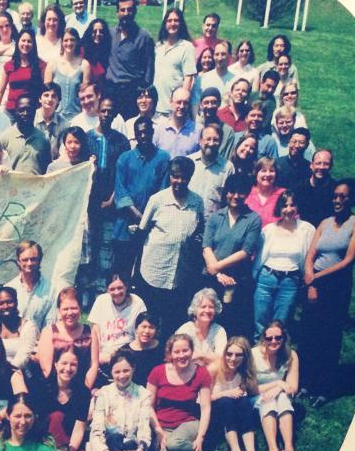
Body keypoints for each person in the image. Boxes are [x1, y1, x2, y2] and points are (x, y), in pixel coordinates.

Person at [300, 179, 355, 404]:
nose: (337, 200)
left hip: (336, 287)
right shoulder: (325, 222)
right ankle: (306, 383)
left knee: (329, 338)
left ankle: (324, 387)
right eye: (335, 196)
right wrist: (310, 280)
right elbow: (311, 254)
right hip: (315, 285)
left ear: (352, 199)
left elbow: (348, 261)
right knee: (309, 335)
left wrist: (316, 278)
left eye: (343, 197)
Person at [136, 156, 205, 329]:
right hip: (154, 272)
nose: (179, 181)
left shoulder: (197, 202)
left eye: (184, 177)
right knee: (150, 322)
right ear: (170, 176)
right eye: (176, 176)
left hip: (181, 275)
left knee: (172, 323)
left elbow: (199, 230)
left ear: (190, 178)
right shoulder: (157, 200)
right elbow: (142, 232)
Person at [30, 348, 99, 451]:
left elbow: (79, 428)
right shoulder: (42, 388)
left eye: (73, 364)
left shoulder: (82, 392)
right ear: (55, 364)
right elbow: (37, 425)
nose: (68, 368)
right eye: (64, 363)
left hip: (71, 444)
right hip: (45, 443)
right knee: (56, 417)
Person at [147, 334, 223, 451]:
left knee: (174, 444)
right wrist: (158, 431)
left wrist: (200, 437)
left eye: (185, 350)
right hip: (163, 426)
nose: (181, 355)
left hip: (189, 422)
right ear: (170, 354)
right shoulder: (157, 372)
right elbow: (148, 406)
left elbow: (206, 408)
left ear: (192, 351)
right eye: (177, 352)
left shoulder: (201, 373)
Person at [87, 351, 152, 451]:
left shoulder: (143, 394)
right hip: (111, 447)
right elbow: (97, 428)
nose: (122, 376)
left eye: (126, 370)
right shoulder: (104, 393)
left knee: (129, 450)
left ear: (133, 369)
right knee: (115, 441)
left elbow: (144, 426)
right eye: (117, 371)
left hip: (132, 445)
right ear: (111, 372)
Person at [202, 172, 261, 338]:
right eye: (232, 191)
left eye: (241, 192)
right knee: (208, 317)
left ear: (247, 193)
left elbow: (245, 251)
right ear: (226, 192)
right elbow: (206, 246)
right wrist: (217, 273)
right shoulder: (216, 216)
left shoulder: (253, 219)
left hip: (236, 279)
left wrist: (216, 267)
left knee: (231, 322)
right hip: (212, 278)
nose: (236, 196)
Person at [111, 117, 170, 279]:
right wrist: (138, 216)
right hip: (125, 225)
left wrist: (147, 220)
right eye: (139, 133)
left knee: (145, 272)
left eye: (146, 132)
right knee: (121, 271)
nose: (143, 136)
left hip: (152, 225)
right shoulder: (125, 158)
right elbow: (121, 191)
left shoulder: (163, 158)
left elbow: (163, 192)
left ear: (152, 132)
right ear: (135, 135)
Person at [253, 189, 316, 337]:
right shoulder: (268, 230)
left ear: (297, 207)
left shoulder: (307, 229)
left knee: (280, 326)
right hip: (265, 279)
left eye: (292, 205)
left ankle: (278, 358)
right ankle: (257, 356)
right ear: (279, 209)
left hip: (290, 282)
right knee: (260, 323)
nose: (288, 210)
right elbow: (258, 257)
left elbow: (309, 257)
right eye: (284, 206)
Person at [209, 337, 263, 451]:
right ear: (225, 353)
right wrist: (226, 393)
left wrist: (278, 385)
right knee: (226, 401)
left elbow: (254, 391)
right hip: (215, 412)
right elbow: (202, 399)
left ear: (245, 357)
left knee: (244, 400)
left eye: (238, 355)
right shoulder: (214, 369)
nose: (233, 359)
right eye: (229, 354)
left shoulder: (244, 372)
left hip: (237, 411)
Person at [252, 321, 300, 451]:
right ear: (263, 339)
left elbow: (292, 387)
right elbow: (249, 388)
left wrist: (280, 387)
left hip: (280, 395)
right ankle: (273, 450)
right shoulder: (253, 355)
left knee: (284, 398)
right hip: (256, 397)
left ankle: (289, 448)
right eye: (269, 338)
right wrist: (278, 384)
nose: (274, 341)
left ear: (284, 338)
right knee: (269, 401)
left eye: (278, 338)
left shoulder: (291, 355)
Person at [104, 0, 154, 120]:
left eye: (130, 10)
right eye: (123, 10)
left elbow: (149, 70)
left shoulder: (144, 38)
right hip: (111, 91)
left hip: (132, 92)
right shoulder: (109, 34)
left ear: (135, 11)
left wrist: (142, 93)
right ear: (117, 12)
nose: (126, 13)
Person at [36, 287, 98, 389]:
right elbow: (46, 370)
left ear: (81, 309)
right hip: (54, 389)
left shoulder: (90, 333)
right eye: (65, 309)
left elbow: (93, 366)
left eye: (74, 308)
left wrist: (84, 391)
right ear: (59, 311)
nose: (70, 313)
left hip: (83, 388)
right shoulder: (49, 332)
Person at [89, 273, 148, 369]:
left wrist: (116, 356)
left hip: (126, 352)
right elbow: (94, 330)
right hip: (102, 351)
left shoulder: (137, 303)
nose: (116, 292)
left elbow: (140, 334)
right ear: (107, 289)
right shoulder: (101, 300)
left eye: (120, 288)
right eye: (112, 289)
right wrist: (97, 355)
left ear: (126, 287)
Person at [0, 287, 39, 370]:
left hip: (17, 373)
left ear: (16, 303)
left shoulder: (28, 327)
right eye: (1, 303)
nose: (5, 306)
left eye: (9, 302)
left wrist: (5, 374)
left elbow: (23, 357)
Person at [154, 7, 196, 116]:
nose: (173, 23)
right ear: (165, 24)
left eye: (176, 20)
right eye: (169, 20)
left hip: (174, 108)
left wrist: (181, 103)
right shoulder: (158, 46)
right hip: (156, 107)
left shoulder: (187, 47)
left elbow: (189, 78)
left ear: (181, 23)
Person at [6, 240, 56, 331]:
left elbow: (50, 325)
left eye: (33, 259)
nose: (29, 263)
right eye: (25, 260)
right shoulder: (8, 289)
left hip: (39, 341)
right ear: (18, 261)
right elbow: (1, 322)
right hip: (12, 340)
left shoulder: (51, 289)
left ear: (40, 260)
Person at [0, 29, 45, 115]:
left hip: (32, 112)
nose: (26, 44)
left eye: (29, 41)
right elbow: (0, 91)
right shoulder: (9, 65)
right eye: (23, 41)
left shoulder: (41, 65)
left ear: (33, 45)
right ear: (18, 43)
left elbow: (44, 91)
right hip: (11, 112)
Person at [188, 123, 234, 219]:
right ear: (200, 140)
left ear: (220, 142)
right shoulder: (188, 162)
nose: (211, 143)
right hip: (187, 218)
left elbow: (228, 201)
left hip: (211, 223)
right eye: (208, 139)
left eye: (216, 140)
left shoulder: (228, 168)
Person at [43, 27, 89, 120]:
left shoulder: (84, 65)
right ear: (62, 42)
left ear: (77, 42)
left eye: (72, 40)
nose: (69, 43)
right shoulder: (52, 64)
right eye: (66, 40)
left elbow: (86, 95)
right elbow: (46, 93)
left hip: (77, 116)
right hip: (56, 117)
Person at [175, 288, 228, 367]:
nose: (207, 310)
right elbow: (180, 357)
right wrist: (211, 357)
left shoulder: (219, 330)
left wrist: (200, 355)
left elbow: (222, 357)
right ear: (195, 310)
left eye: (211, 307)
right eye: (203, 307)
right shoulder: (185, 330)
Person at [0, 95, 49, 175]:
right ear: (15, 111)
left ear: (35, 111)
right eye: (21, 110)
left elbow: (47, 169)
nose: (25, 113)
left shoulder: (43, 139)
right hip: (13, 186)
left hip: (36, 186)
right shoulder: (5, 138)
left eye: (29, 110)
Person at [295, 149, 337, 228]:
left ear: (330, 167)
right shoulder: (299, 188)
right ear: (311, 165)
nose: (321, 167)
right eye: (318, 163)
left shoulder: (336, 190)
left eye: (326, 164)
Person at [154, 87, 201, 157]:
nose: (182, 106)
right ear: (171, 102)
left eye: (185, 103)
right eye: (178, 102)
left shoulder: (198, 130)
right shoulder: (158, 130)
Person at [126, 311, 164, 387]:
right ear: (136, 328)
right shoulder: (126, 351)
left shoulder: (162, 348)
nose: (147, 331)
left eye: (151, 327)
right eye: (144, 327)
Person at [246, 156, 284, 227]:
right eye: (263, 171)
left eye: (272, 171)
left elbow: (292, 220)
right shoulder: (246, 193)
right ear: (256, 173)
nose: (268, 174)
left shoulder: (283, 194)